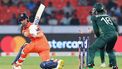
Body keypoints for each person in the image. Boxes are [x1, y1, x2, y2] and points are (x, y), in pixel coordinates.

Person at [87, 3, 118, 69]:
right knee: (109, 50)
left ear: (96, 10)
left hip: (106, 35)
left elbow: (96, 31)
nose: (93, 10)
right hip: (114, 35)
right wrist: (116, 32)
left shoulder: (94, 17)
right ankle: (115, 66)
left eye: (94, 9)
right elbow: (115, 25)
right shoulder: (107, 16)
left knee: (91, 49)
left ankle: (90, 66)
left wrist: (99, 36)